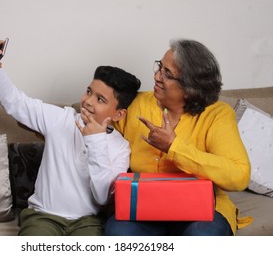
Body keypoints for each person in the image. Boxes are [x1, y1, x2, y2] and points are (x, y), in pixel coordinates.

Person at [0, 40, 141, 236]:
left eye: (100, 99)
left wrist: (95, 141)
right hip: (42, 216)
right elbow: (16, 103)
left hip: (87, 222)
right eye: (89, 91)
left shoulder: (121, 147)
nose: (88, 101)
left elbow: (102, 196)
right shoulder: (61, 119)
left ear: (118, 115)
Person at [104, 39, 251, 236]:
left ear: (191, 87)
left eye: (167, 74)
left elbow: (239, 176)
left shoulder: (218, 114)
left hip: (199, 212)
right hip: (142, 208)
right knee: (119, 233)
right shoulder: (135, 105)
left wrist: (174, 147)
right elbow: (99, 136)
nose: (156, 76)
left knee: (202, 236)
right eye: (159, 67)